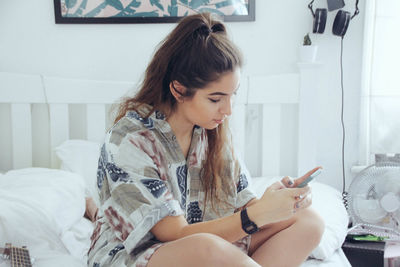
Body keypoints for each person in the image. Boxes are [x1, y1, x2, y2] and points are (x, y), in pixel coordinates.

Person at [88, 12, 325, 267]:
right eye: (215, 99)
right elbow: (175, 234)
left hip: (211, 247)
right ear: (178, 89)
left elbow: (244, 206)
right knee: (206, 247)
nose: (228, 110)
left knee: (309, 221)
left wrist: (275, 202)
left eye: (233, 95)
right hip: (147, 255)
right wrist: (257, 214)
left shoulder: (211, 133)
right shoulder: (129, 140)